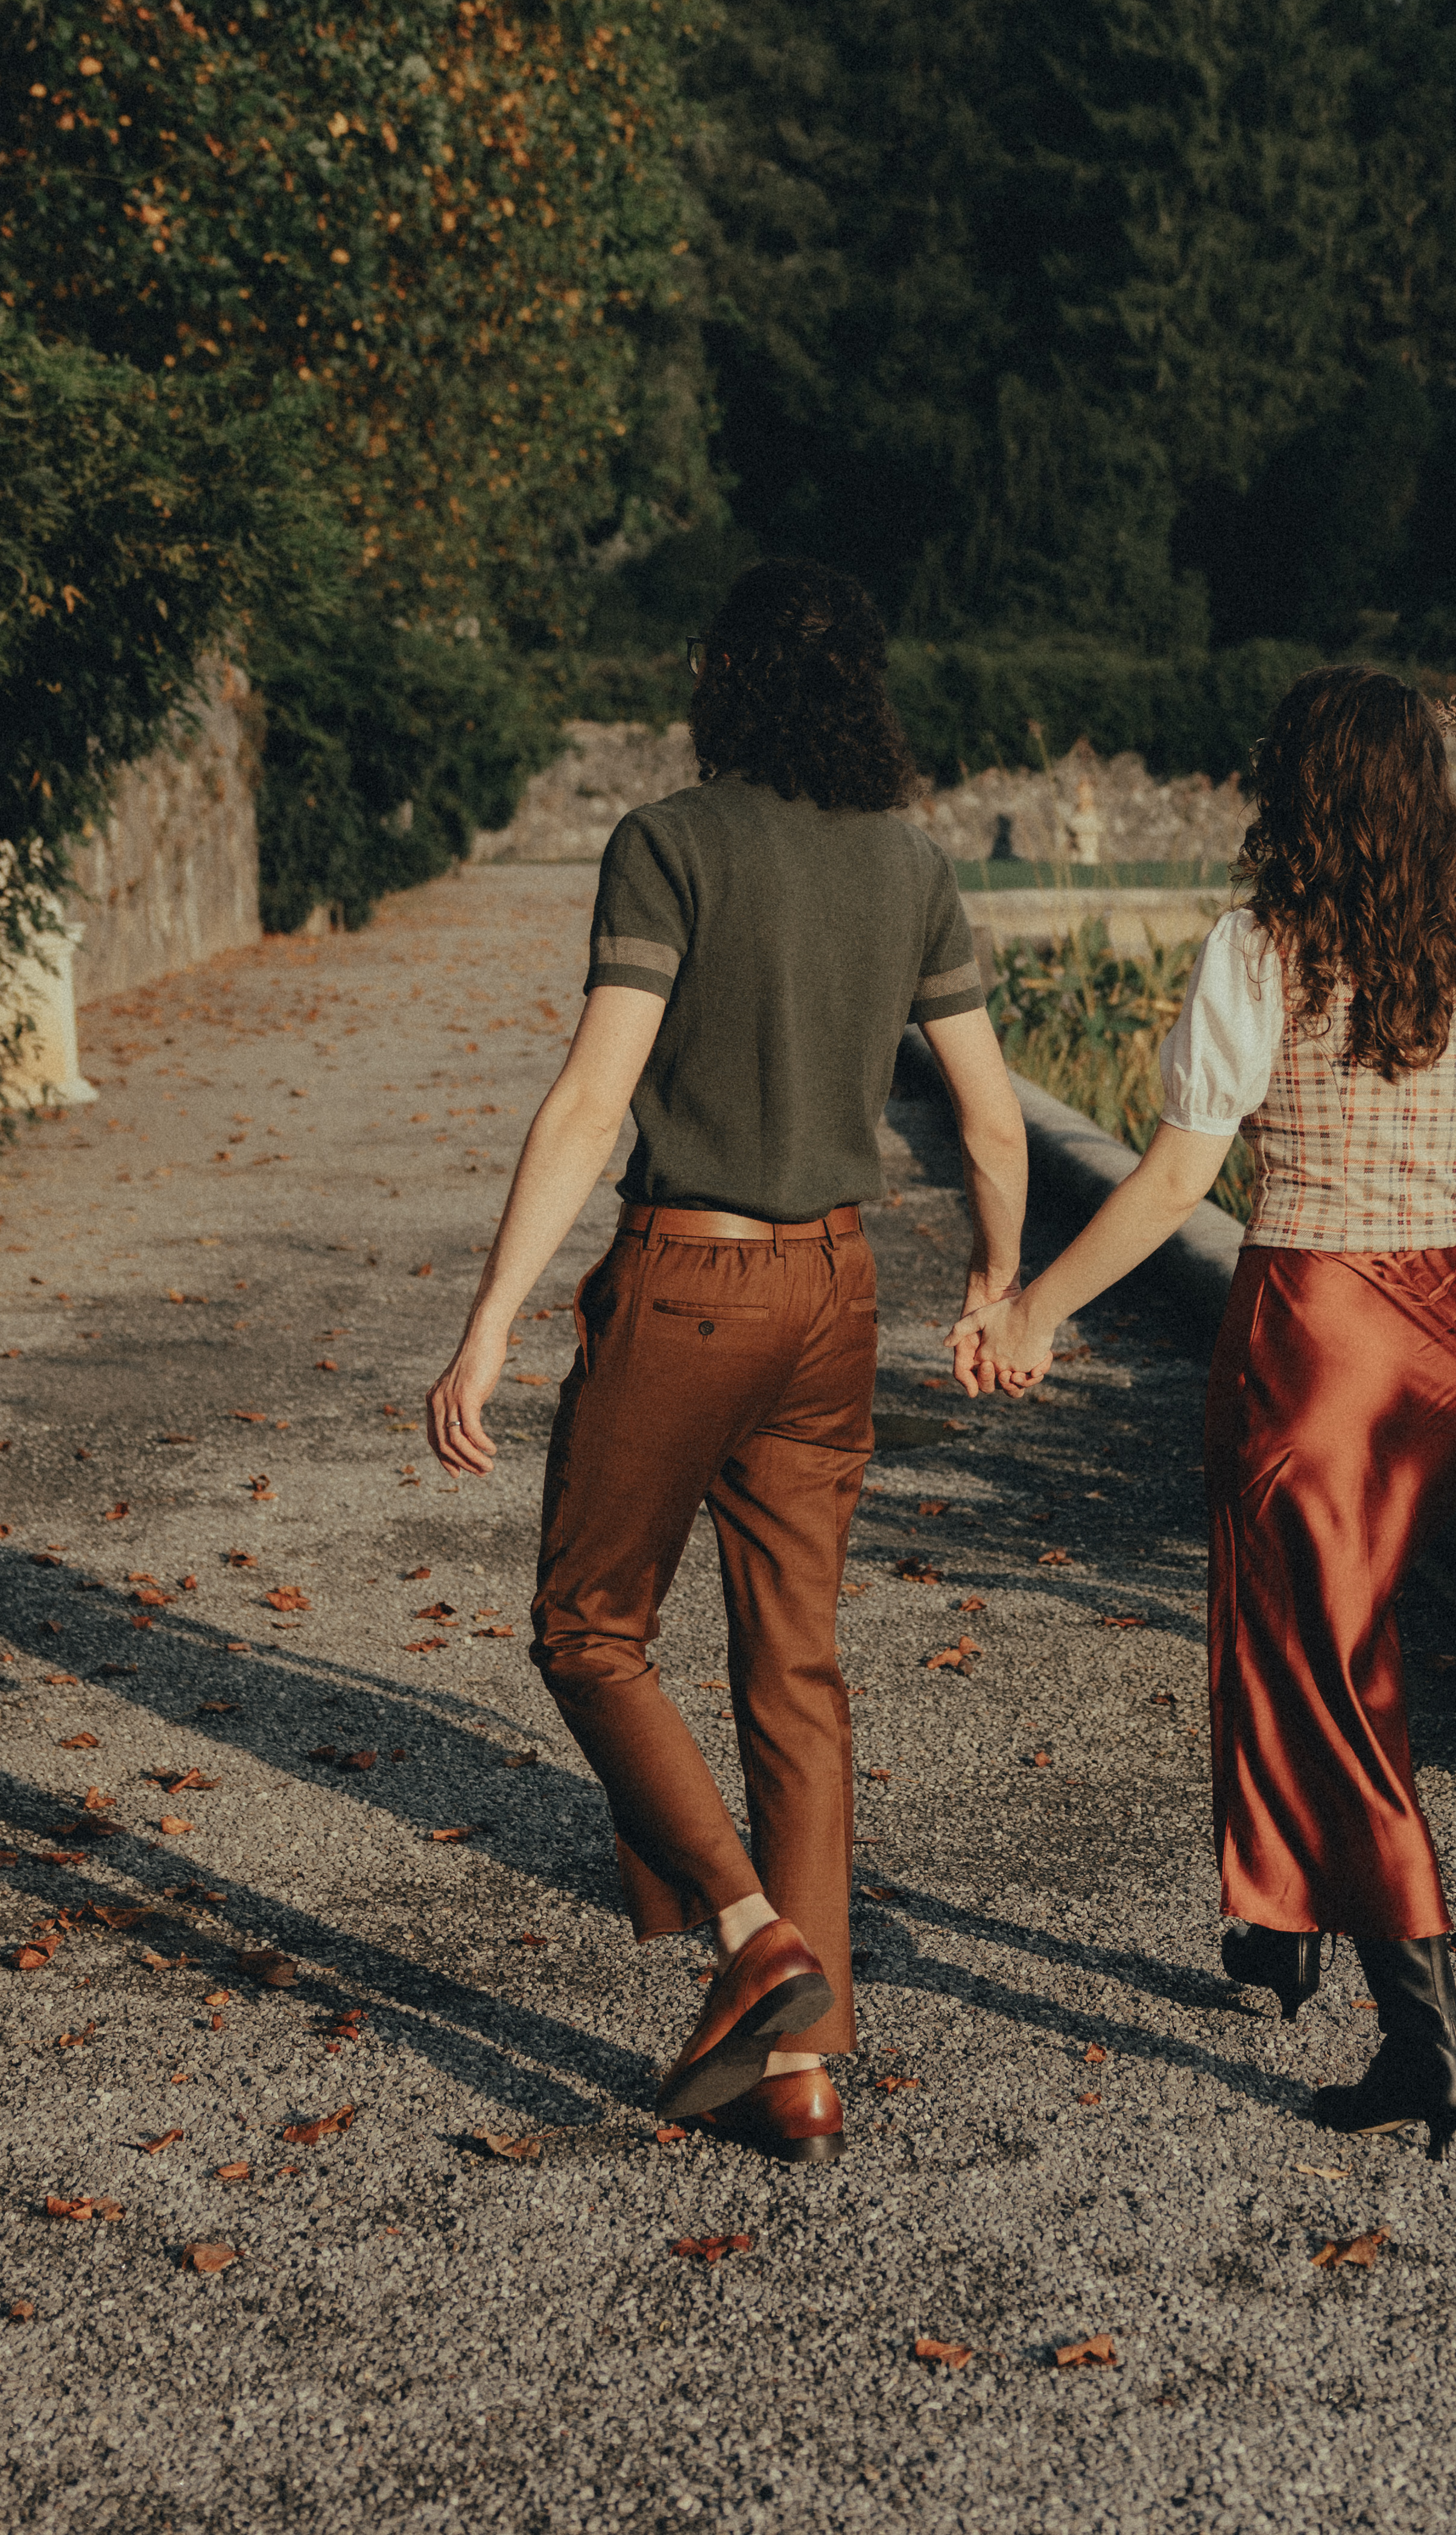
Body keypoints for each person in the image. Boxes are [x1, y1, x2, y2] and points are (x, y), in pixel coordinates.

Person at [428, 562, 1028, 2162]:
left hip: (689, 1284)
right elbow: (986, 1114)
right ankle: (805, 2075)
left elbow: (589, 1098)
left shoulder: (670, 845)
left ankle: (759, 1936)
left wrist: (489, 1318)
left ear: (727, 683)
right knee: (797, 1676)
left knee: (585, 1626)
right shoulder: (911, 867)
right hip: (837, 1295)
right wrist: (993, 1276)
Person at [962, 666, 1456, 2156]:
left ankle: (1422, 2033)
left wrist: (1037, 1306)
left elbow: (1179, 1179)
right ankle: (1280, 1919)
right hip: (1439, 1350)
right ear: (1427, 798)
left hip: (1314, 1327)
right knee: (1291, 1626)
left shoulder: (1259, 952)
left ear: (1292, 792)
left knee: (1329, 1665)